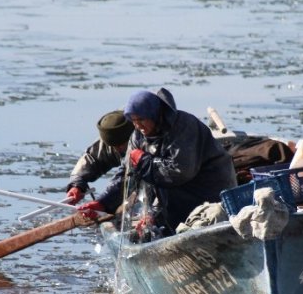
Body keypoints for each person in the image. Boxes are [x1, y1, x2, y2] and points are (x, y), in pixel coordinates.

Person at [78, 88, 237, 236]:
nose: (138, 125)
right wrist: (102, 203)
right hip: (175, 198)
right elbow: (128, 175)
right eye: (133, 121)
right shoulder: (137, 136)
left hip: (209, 192)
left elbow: (179, 172)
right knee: (153, 227)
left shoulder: (184, 126)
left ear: (153, 114)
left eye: (141, 119)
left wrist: (143, 161)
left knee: (196, 221)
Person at [64, 110, 134, 204]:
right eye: (115, 146)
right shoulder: (114, 137)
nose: (119, 148)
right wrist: (77, 184)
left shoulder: (147, 133)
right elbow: (93, 159)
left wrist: (104, 203)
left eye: (123, 144)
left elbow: (127, 179)